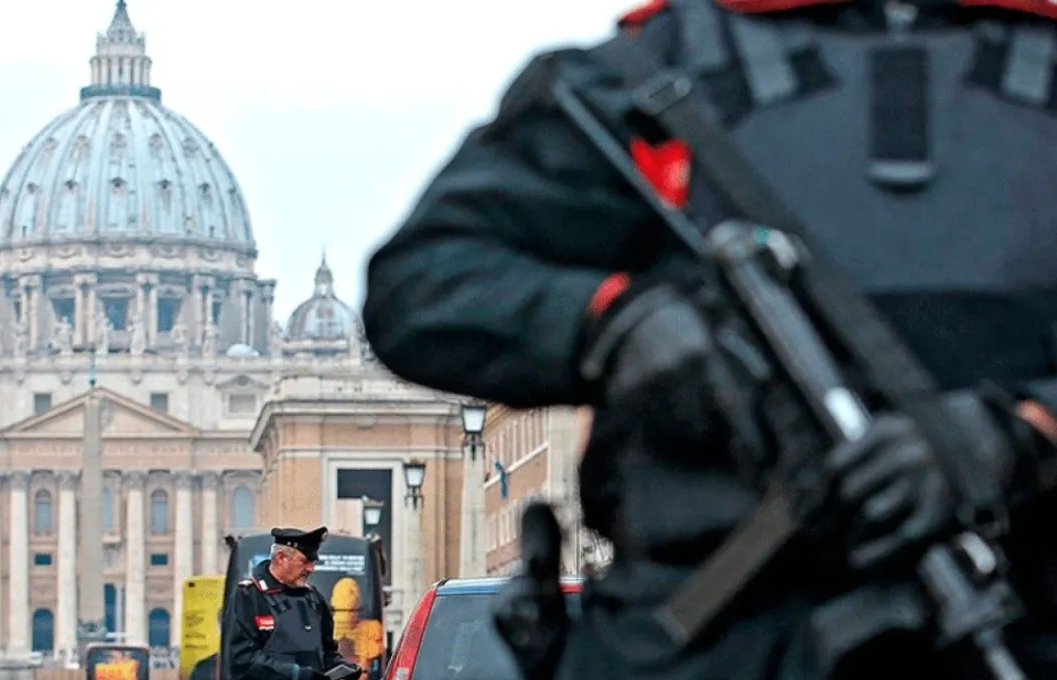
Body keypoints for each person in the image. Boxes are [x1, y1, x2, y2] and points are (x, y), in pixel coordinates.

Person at [362, 0, 1057, 677]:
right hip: (710, 625)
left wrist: (1026, 429)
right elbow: (422, 285)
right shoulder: (648, 70)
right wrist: (612, 323)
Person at [224, 527, 357, 680]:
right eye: (305, 561)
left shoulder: (313, 598)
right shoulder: (248, 596)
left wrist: (342, 669)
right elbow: (241, 660)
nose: (311, 568)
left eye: (313, 562)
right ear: (281, 558)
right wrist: (296, 675)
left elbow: (327, 653)